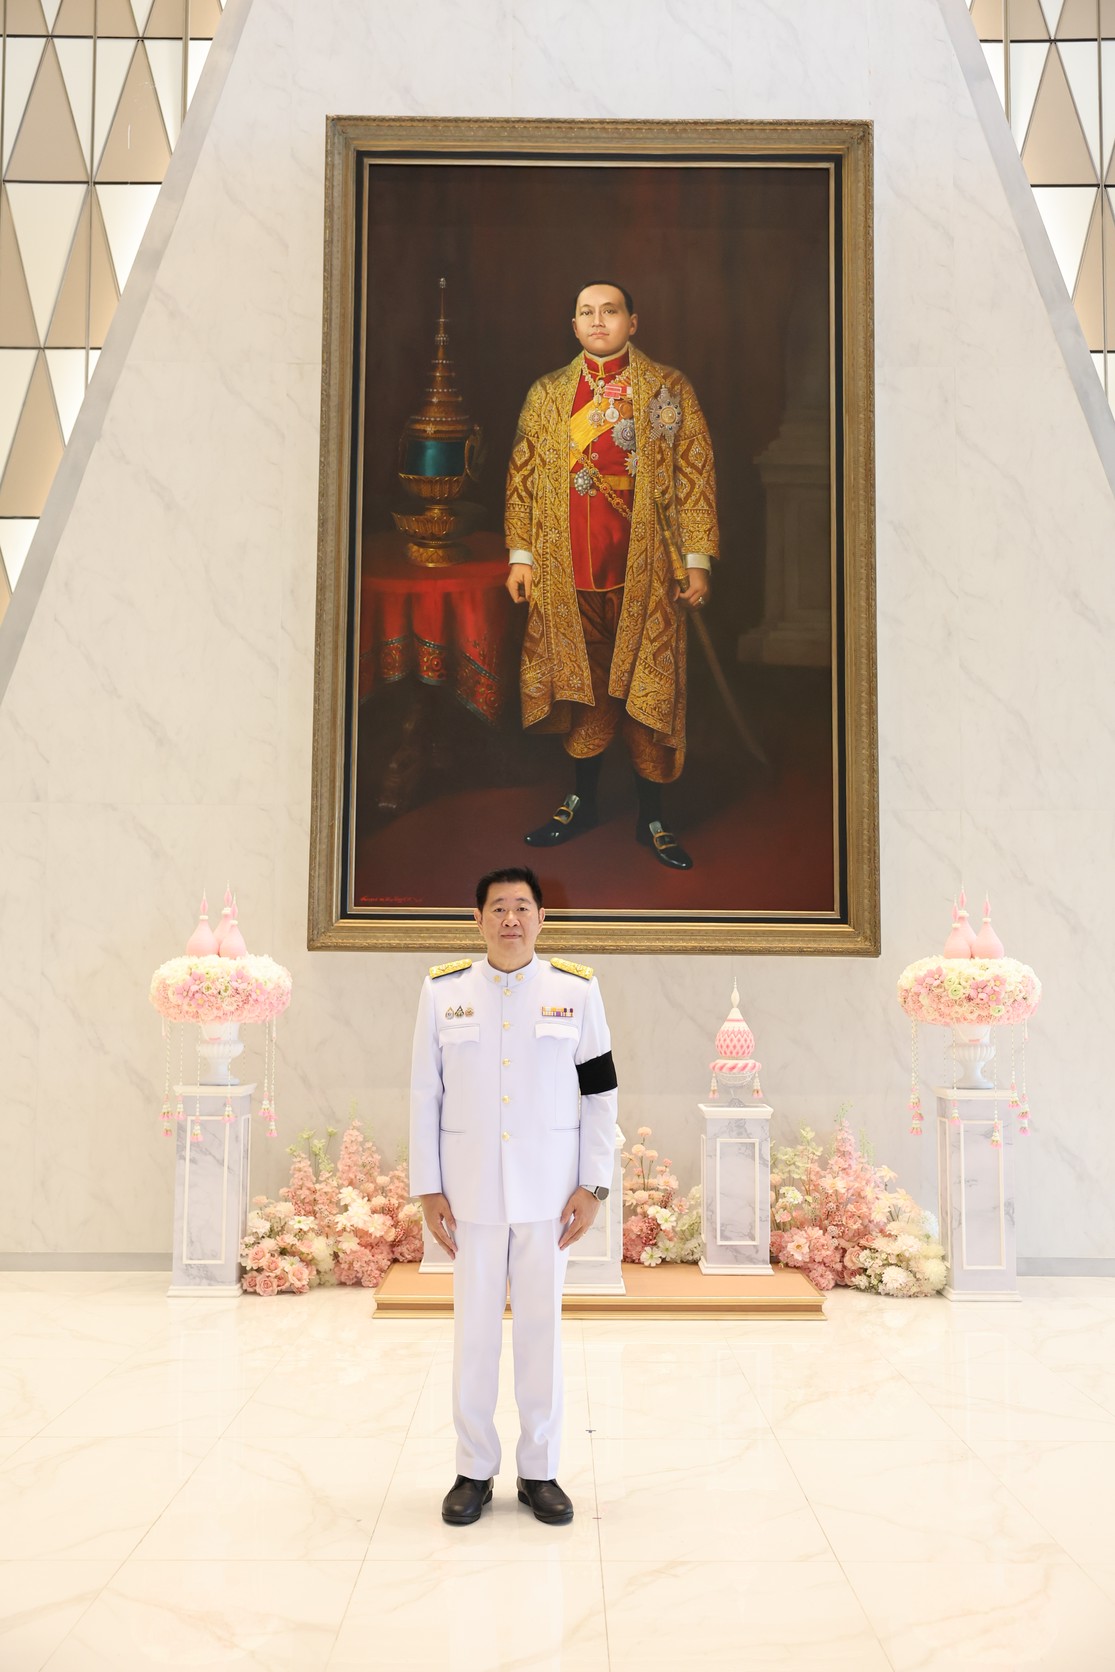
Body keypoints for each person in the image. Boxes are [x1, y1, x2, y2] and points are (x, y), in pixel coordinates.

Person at [409, 866, 618, 1526]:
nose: (510, 919)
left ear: (541, 918)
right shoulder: (444, 992)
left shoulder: (576, 992)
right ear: (477, 919)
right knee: (473, 1335)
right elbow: (424, 1093)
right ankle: (473, 1471)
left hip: (549, 1195)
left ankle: (539, 1471)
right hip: (469, 1194)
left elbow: (600, 1092)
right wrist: (428, 1187)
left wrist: (593, 1183)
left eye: (522, 907)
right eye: (497, 907)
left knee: (540, 1334)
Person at [505, 280, 720, 870]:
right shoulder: (548, 393)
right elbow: (523, 476)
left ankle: (652, 816)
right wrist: (521, 555)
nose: (598, 321)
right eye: (586, 312)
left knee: (648, 689)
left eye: (610, 311)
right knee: (584, 693)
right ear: (573, 326)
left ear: (632, 322)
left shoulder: (668, 388)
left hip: (646, 575)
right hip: (566, 573)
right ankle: (582, 801)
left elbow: (695, 475)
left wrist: (696, 561)